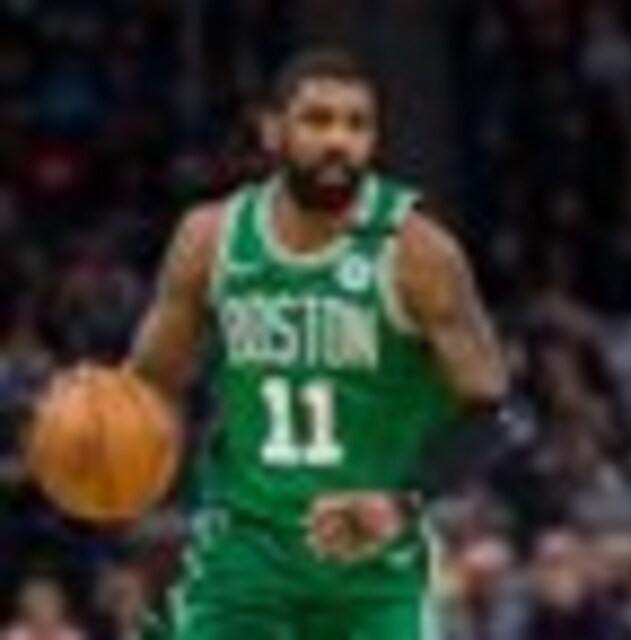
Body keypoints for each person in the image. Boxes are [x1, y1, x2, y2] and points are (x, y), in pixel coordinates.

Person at [126, 48, 514, 639]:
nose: (339, 141)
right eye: (318, 120)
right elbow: (149, 386)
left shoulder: (420, 253)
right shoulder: (210, 239)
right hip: (244, 558)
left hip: (373, 568)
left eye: (358, 125)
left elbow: (490, 414)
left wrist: (400, 503)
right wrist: (102, 436)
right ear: (272, 130)